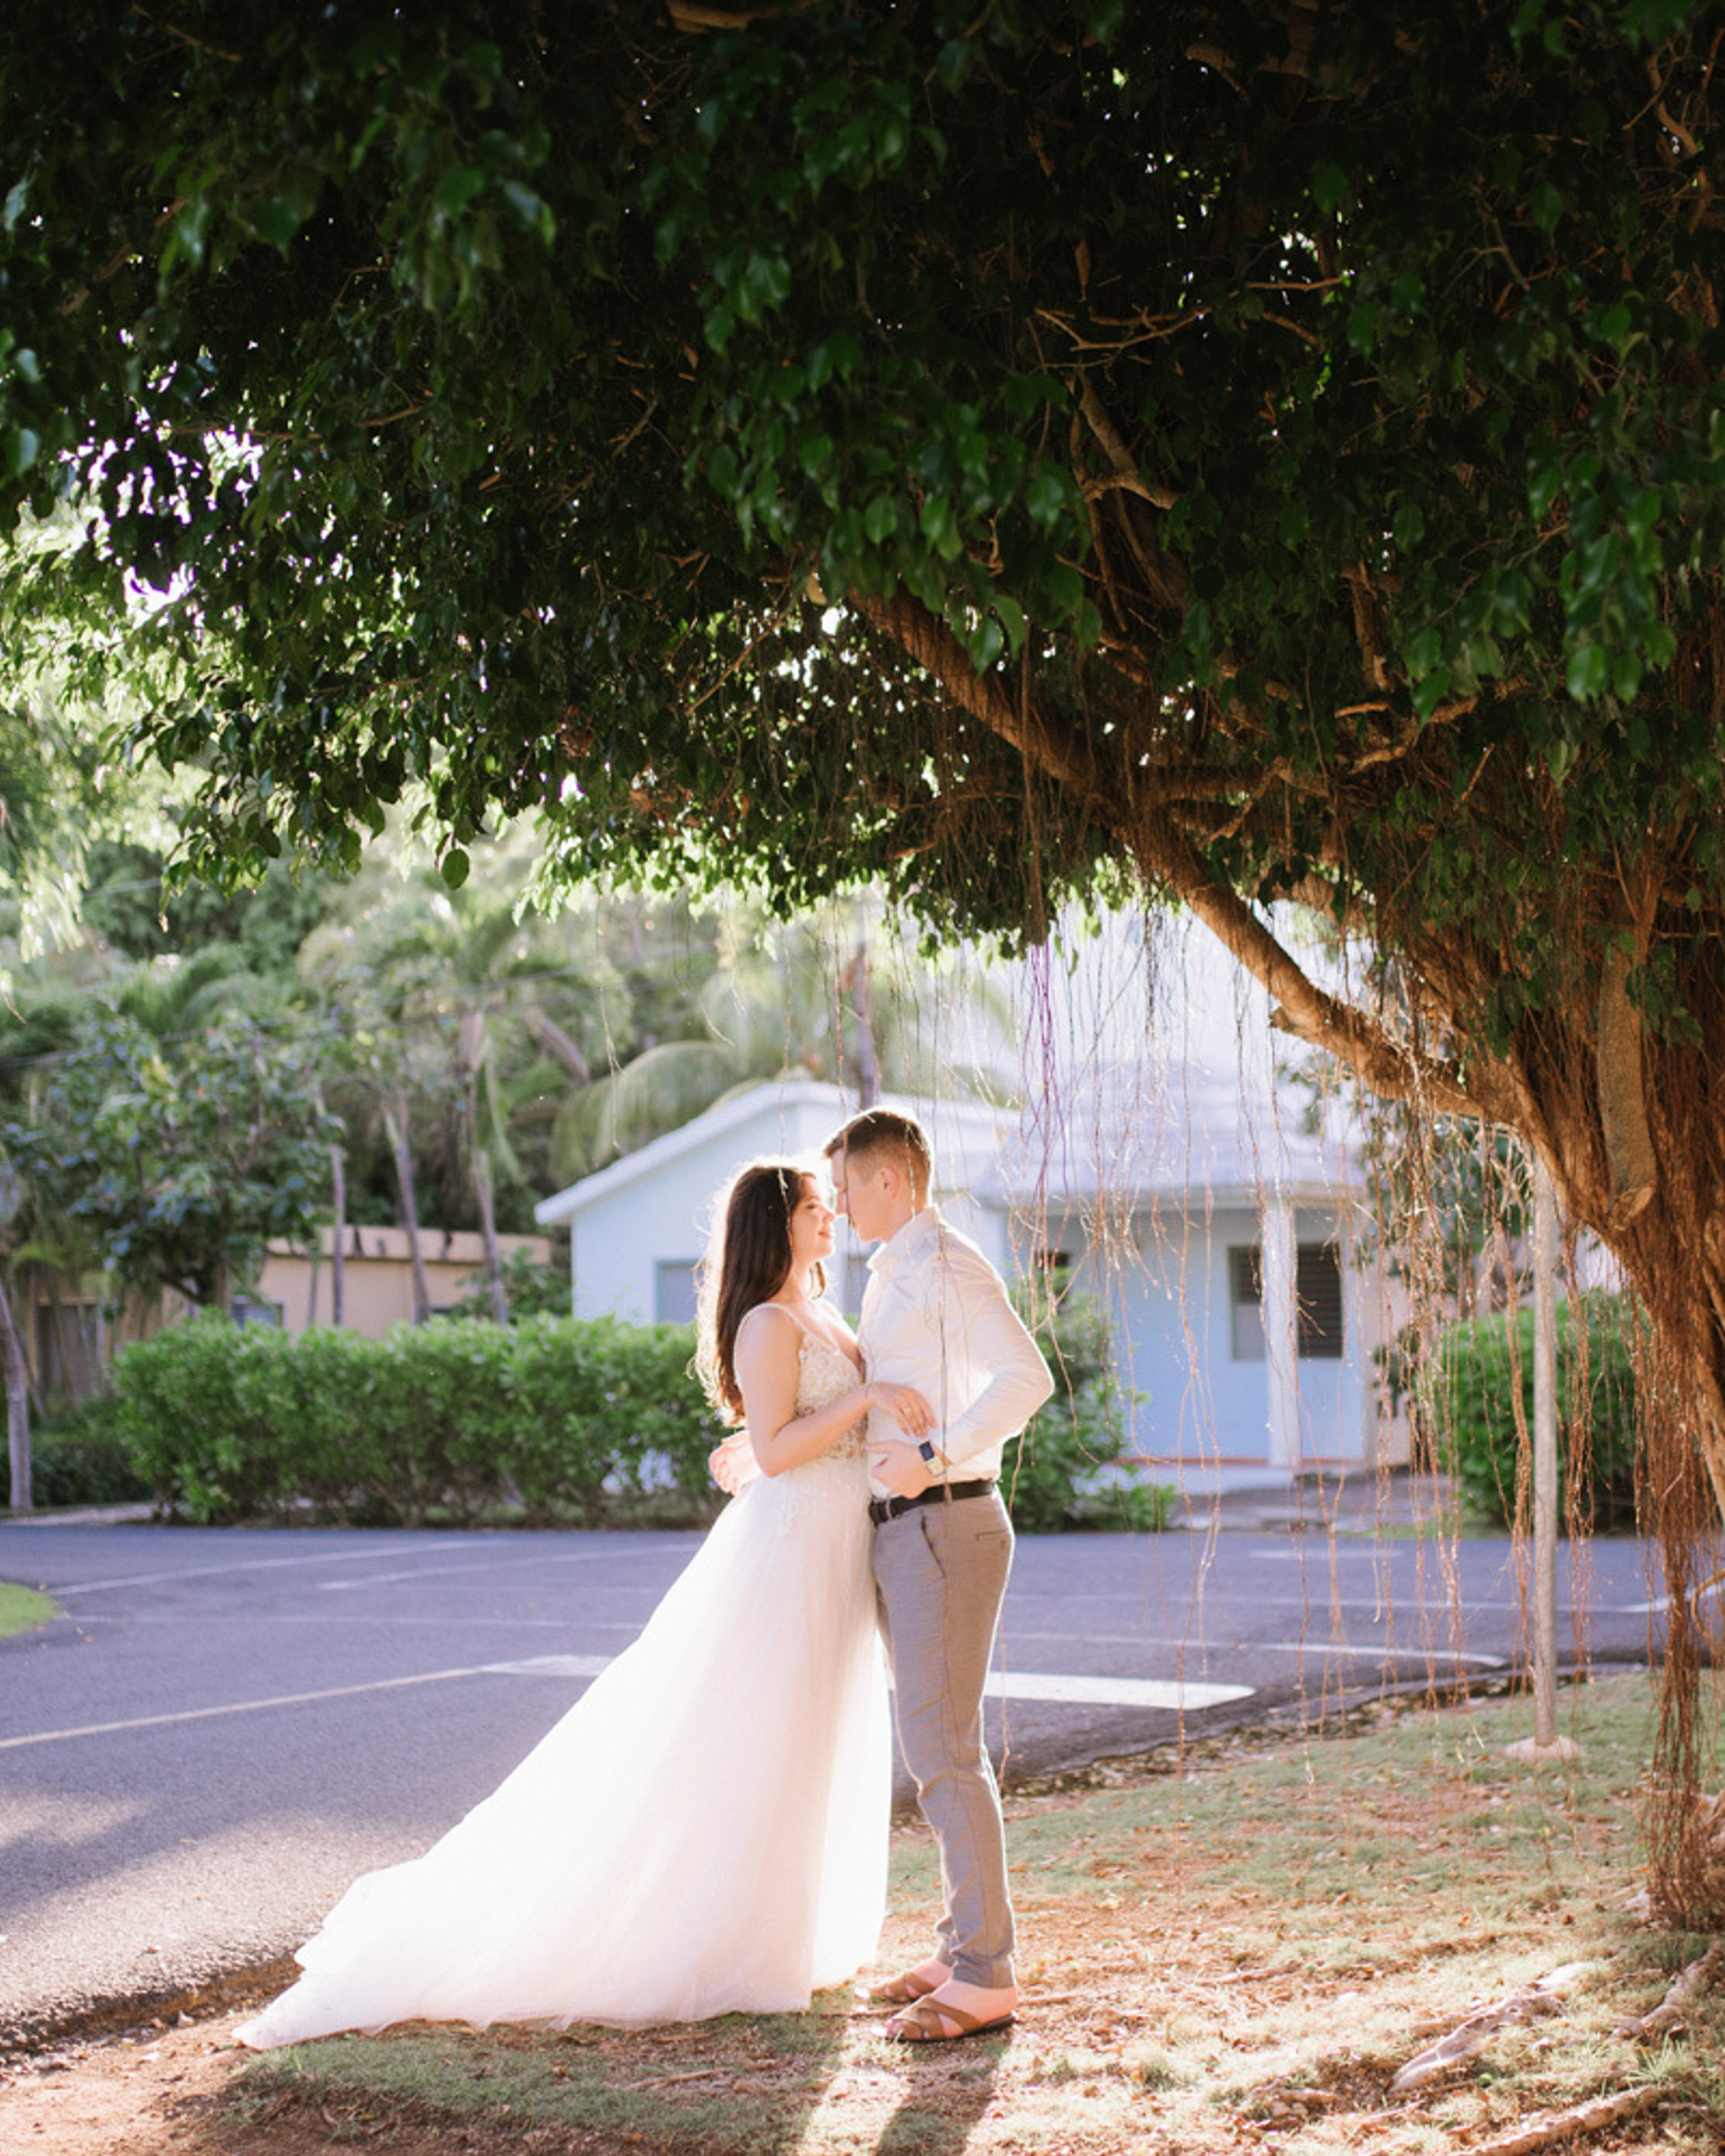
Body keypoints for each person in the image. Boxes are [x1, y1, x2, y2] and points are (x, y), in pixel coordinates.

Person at [235, 1159, 933, 2047]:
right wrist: (857, 1400)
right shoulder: (766, 1320)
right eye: (811, 1207)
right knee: (762, 1729)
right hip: (792, 1552)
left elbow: (789, 1441)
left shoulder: (826, 1311)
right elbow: (778, 1446)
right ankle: (732, 1938)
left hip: (837, 1542)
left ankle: (795, 1928)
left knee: (818, 1728)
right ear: (776, 1223)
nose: (829, 1215)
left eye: (827, 1205)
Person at [826, 1107, 1055, 2046]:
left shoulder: (948, 1264)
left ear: (889, 1179)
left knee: (946, 1753)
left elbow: (1026, 1378)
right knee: (935, 1752)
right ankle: (962, 1945)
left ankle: (987, 1975)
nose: (839, 1205)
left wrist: (933, 1455)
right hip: (909, 1531)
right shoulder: (893, 1272)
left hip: (946, 1522)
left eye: (846, 1186)